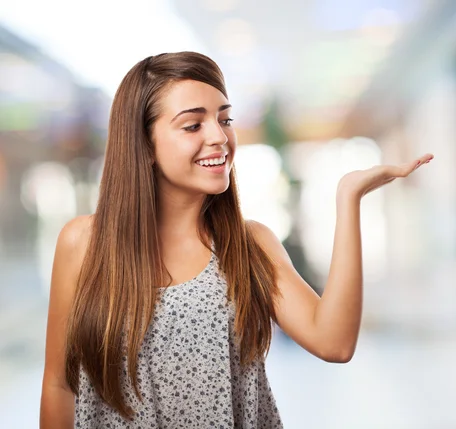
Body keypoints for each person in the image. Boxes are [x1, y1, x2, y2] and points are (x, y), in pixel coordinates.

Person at [39, 51, 434, 428]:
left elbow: (334, 342)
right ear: (144, 144)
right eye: (193, 125)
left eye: (224, 120)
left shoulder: (249, 246)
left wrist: (349, 199)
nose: (219, 137)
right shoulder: (84, 243)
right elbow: (59, 385)